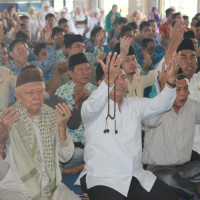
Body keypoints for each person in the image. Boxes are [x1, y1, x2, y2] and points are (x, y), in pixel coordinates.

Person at [75, 49, 180, 200]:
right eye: (114, 78)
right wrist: (107, 82)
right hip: (103, 177)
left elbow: (161, 104)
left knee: (171, 197)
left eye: (123, 78)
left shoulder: (134, 105)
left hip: (134, 174)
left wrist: (170, 82)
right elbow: (93, 105)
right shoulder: (91, 108)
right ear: (101, 83)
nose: (120, 82)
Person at [0, 67, 80, 200]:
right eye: (30, 93)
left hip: (49, 185)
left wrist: (62, 127)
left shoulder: (52, 117)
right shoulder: (4, 120)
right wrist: (1, 141)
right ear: (17, 96)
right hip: (14, 188)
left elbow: (66, 157)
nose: (37, 97)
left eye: (40, 91)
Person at [143, 76, 200, 200]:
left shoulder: (191, 106)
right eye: (178, 89)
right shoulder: (153, 107)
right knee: (168, 178)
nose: (183, 93)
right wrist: (163, 98)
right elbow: (149, 121)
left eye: (185, 89)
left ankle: (184, 188)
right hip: (158, 169)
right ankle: (195, 193)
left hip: (184, 168)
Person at [56, 53, 97, 174]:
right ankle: (82, 166)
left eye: (87, 69)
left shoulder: (95, 91)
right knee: (76, 154)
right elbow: (70, 125)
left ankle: (75, 168)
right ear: (71, 73)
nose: (85, 72)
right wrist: (78, 102)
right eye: (80, 69)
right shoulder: (61, 92)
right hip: (71, 142)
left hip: (91, 140)